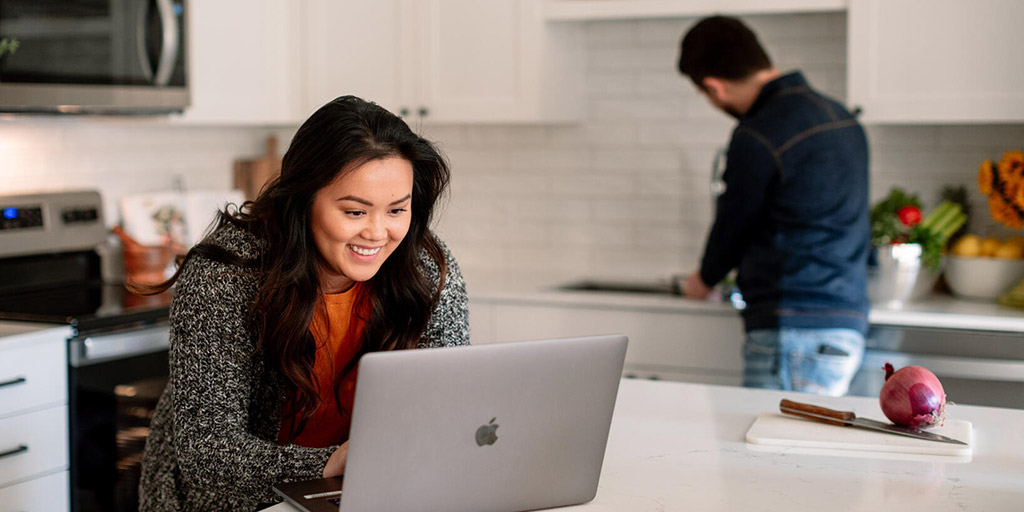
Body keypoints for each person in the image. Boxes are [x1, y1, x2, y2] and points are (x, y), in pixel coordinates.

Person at [137, 96, 469, 511]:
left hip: (362, 492)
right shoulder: (226, 275)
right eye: (354, 212)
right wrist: (333, 462)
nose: (378, 232)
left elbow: (446, 405)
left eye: (397, 210)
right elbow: (209, 454)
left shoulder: (424, 268)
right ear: (303, 199)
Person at [676, 16, 870, 396]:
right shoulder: (840, 116)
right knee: (803, 452)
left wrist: (701, 281)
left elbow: (733, 226)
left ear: (714, 87)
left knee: (773, 454)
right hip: (846, 321)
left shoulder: (758, 134)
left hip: (791, 332)